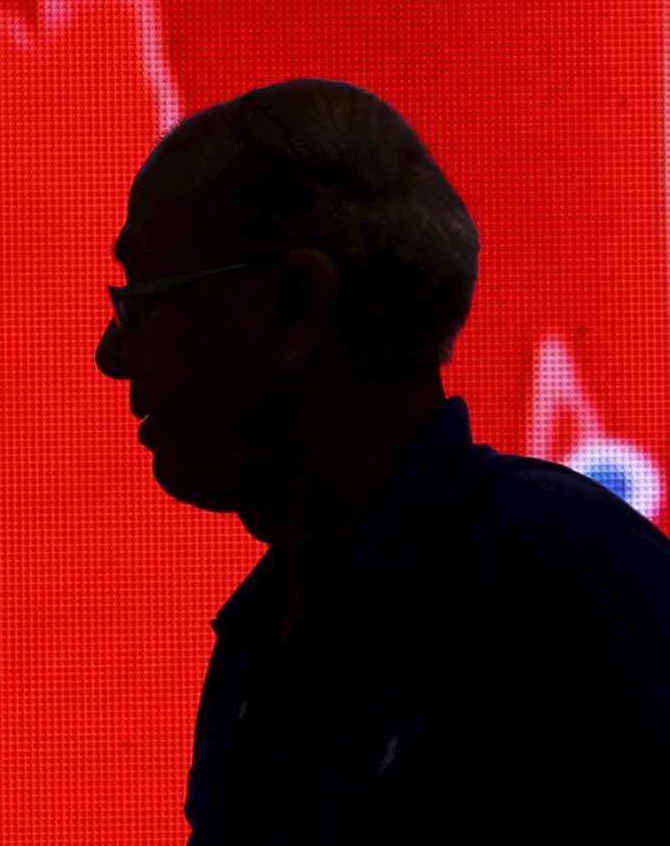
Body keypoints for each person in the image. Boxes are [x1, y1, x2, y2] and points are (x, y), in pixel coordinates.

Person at [94, 78, 670, 844]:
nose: (113, 354)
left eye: (148, 298)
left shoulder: (569, 584)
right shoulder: (263, 634)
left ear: (298, 305)